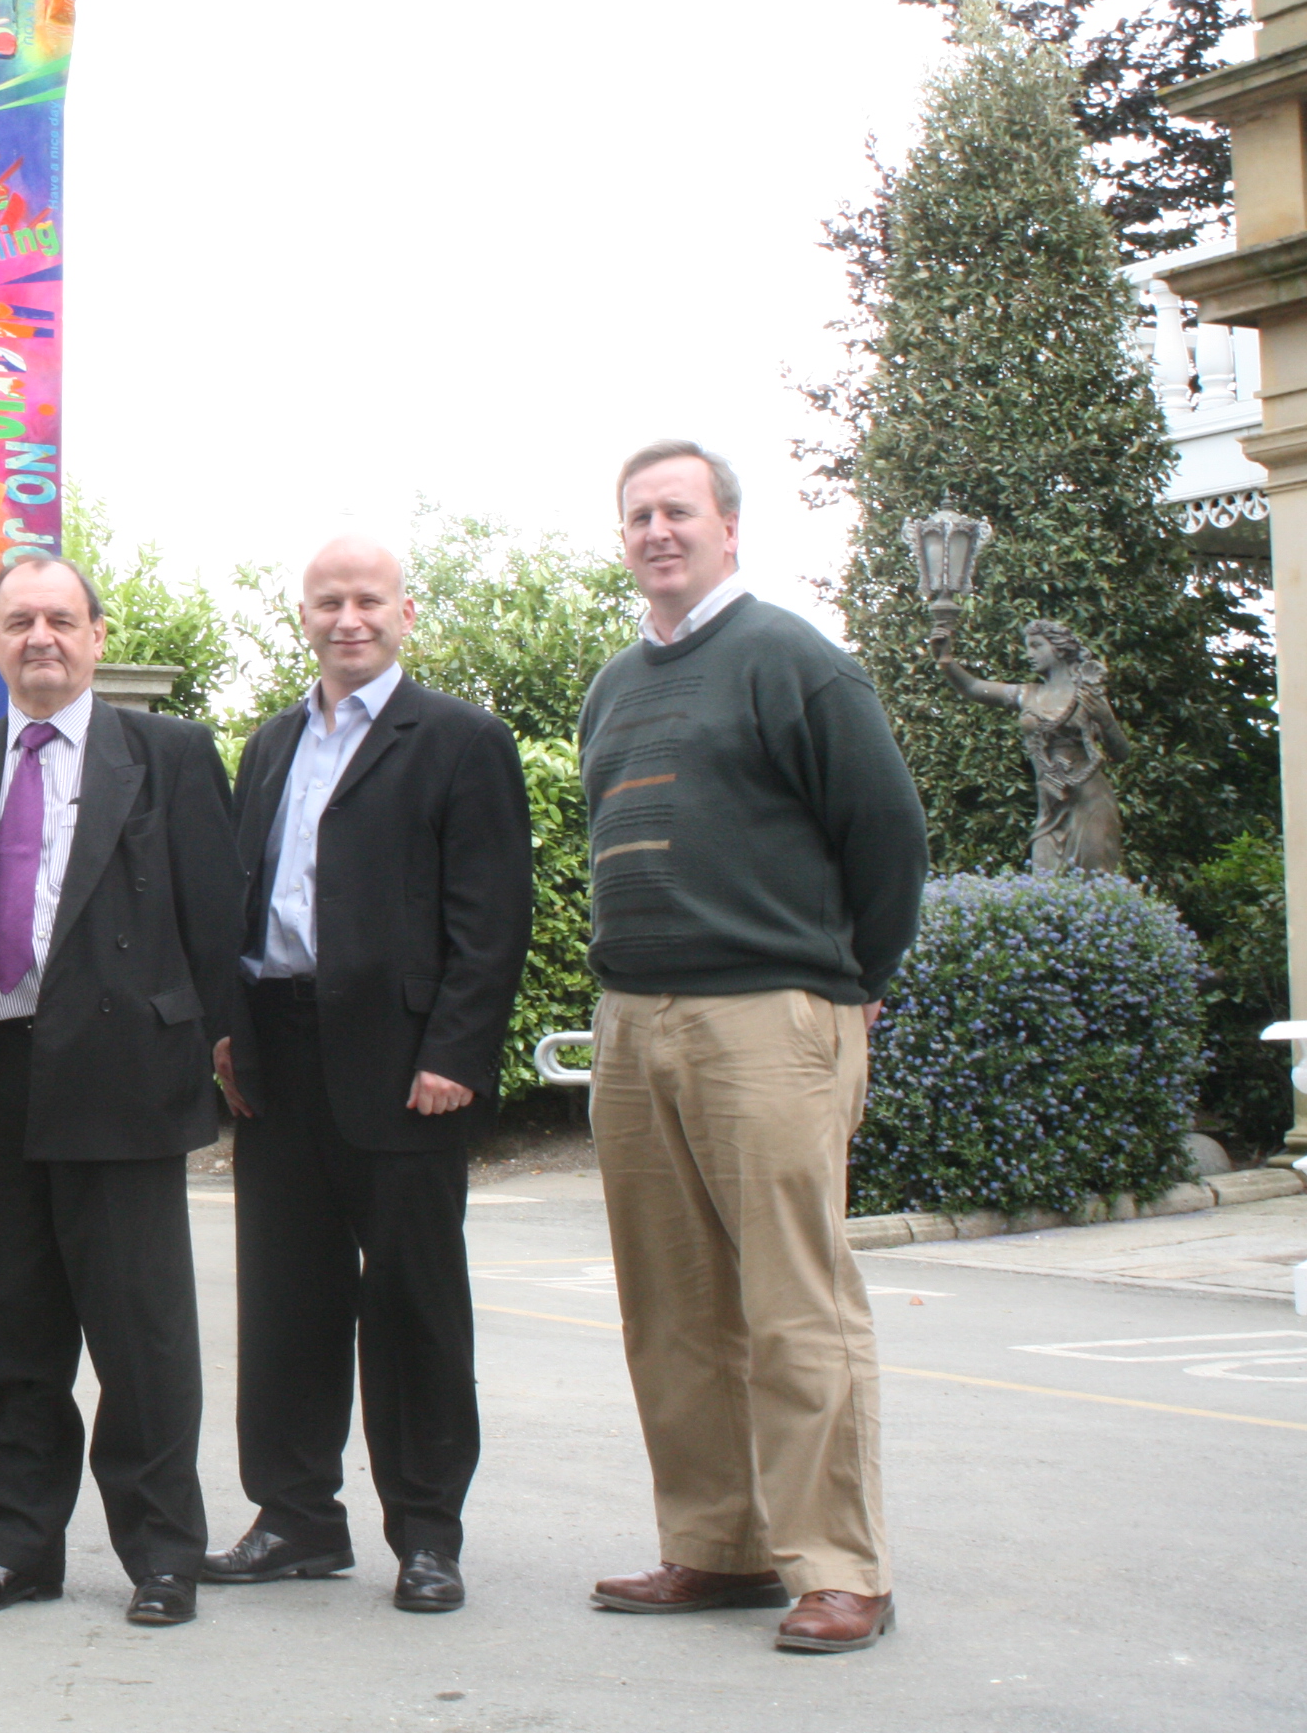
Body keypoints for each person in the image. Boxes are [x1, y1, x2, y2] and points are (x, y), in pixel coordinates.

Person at [580, 441, 928, 1655]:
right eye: (637, 517)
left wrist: (853, 982)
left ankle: (839, 1566)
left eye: (678, 511)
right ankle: (717, 1544)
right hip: (636, 1023)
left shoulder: (795, 661)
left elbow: (889, 837)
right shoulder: (616, 683)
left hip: (767, 1018)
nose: (656, 532)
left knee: (794, 1302)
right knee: (671, 1308)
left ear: (729, 528)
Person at [0, 549, 244, 1628]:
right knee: (1, 1337)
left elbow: (215, 924)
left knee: (140, 1339)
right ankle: (14, 1548)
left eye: (60, 619)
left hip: (120, 1077)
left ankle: (162, 1557)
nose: (40, 637)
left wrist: (222, 1064)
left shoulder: (171, 755)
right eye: (18, 621)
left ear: (95, 637)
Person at [211, 536, 530, 1615]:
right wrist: (229, 1035)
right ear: (302, 614)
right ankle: (296, 1517)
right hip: (279, 1062)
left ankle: (428, 1534)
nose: (349, 617)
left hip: (403, 1071)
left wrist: (456, 1054)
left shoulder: (459, 741)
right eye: (328, 601)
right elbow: (239, 901)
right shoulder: (269, 745)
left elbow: (490, 919)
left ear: (404, 612)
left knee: (413, 1307)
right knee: (286, 1306)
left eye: (368, 600)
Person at [933, 617, 1131, 875]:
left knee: (1095, 887)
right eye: (1028, 647)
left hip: (1089, 803)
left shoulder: (1087, 692)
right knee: (1045, 881)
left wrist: (1105, 719)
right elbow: (973, 688)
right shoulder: (1028, 694)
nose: (1029, 654)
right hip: (1050, 805)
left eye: (1037, 646)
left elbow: (1121, 753)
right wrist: (946, 661)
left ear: (1059, 649)